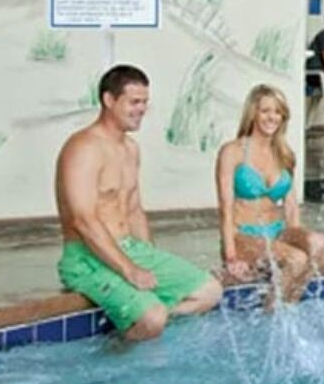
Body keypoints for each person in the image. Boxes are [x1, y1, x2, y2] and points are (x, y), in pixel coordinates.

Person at [54, 65, 223, 342]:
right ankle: (122, 347)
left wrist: (149, 259)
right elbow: (83, 220)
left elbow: (133, 210)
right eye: (134, 102)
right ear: (109, 100)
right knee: (152, 317)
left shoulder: (130, 149)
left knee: (209, 292)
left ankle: (138, 325)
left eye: (145, 102)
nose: (141, 109)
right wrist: (129, 270)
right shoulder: (83, 148)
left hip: (131, 250)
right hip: (87, 258)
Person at [216, 84, 324, 298]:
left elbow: (291, 208)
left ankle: (287, 301)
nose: (272, 117)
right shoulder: (232, 152)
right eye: (265, 111)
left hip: (277, 233)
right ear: (253, 113)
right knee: (297, 259)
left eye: (277, 112)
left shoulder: (284, 154)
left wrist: (296, 240)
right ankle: (275, 311)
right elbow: (225, 208)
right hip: (244, 236)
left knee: (317, 242)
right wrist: (231, 256)